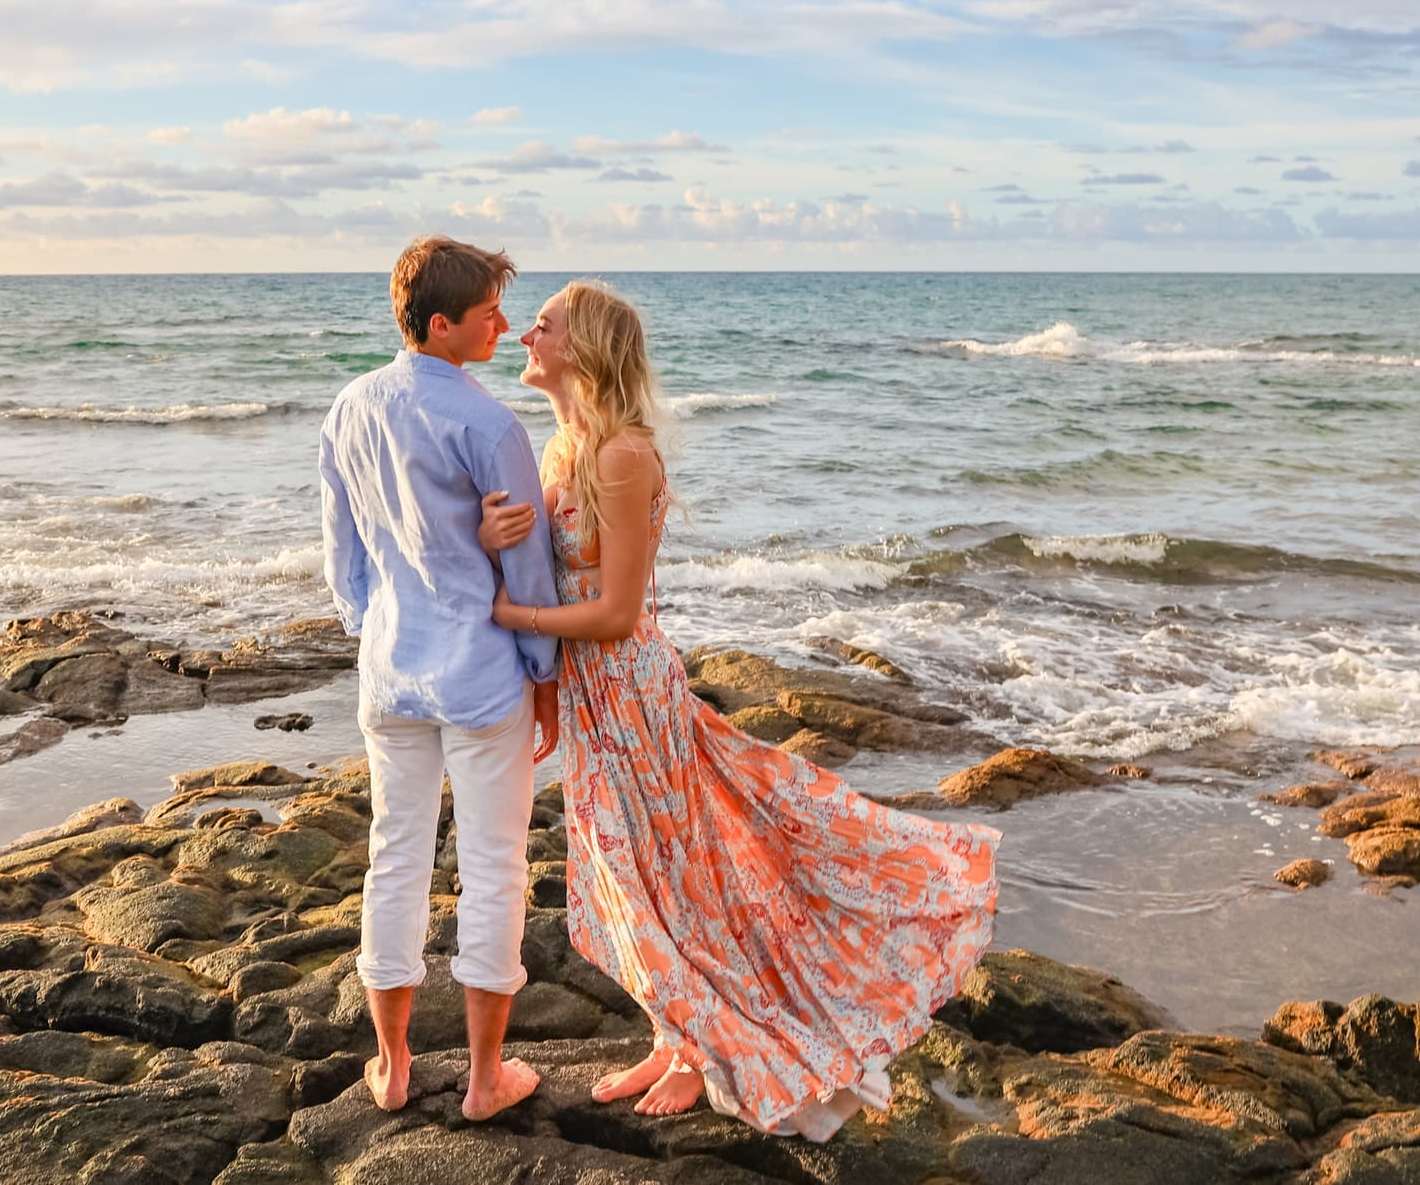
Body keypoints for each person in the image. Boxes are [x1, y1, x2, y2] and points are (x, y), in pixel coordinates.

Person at [479, 279, 1000, 1141]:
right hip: (591, 695)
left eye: (546, 324)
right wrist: (540, 677)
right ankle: (672, 1033)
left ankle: (698, 1050)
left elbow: (613, 612)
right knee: (631, 874)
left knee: (667, 872)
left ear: (590, 349)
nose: (527, 333)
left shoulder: (622, 455)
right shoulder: (563, 446)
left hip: (631, 688)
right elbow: (550, 570)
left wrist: (515, 621)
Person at [317, 235, 563, 1122]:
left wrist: (378, 622)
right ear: (440, 325)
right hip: (482, 673)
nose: (503, 324)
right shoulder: (490, 423)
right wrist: (545, 673)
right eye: (488, 313)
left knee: (395, 857)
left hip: (390, 670)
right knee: (495, 867)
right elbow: (528, 571)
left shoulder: (349, 407)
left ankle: (392, 1064)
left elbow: (342, 558)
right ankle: (486, 1080)